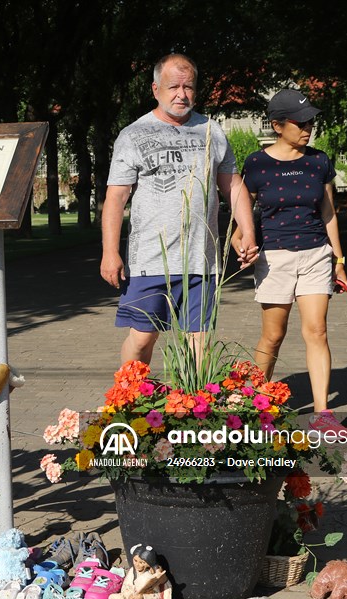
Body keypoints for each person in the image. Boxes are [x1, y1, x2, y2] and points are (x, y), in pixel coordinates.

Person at [101, 54, 257, 366]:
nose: (181, 94)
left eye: (188, 87)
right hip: (150, 259)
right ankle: (127, 400)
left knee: (198, 341)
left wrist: (248, 231)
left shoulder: (212, 131)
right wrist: (109, 252)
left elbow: (233, 185)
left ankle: (194, 409)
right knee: (143, 337)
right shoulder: (133, 134)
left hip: (202, 259)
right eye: (173, 87)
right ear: (155, 89)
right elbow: (116, 198)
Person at [232, 89, 347, 439]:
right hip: (276, 258)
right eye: (301, 122)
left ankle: (323, 414)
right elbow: (244, 213)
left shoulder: (319, 161)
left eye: (311, 121)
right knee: (274, 335)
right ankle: (253, 405)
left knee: (317, 331)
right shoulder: (256, 164)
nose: (308, 128)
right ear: (277, 125)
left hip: (316, 254)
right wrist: (242, 239)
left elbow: (328, 212)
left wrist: (339, 260)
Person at [105, 544, 178, 599]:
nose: (137, 564)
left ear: (148, 563)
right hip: (132, 597)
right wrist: (129, 595)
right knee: (112, 597)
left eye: (142, 562)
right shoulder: (132, 571)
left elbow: (158, 595)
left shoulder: (153, 574)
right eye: (135, 560)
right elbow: (126, 586)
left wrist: (143, 597)